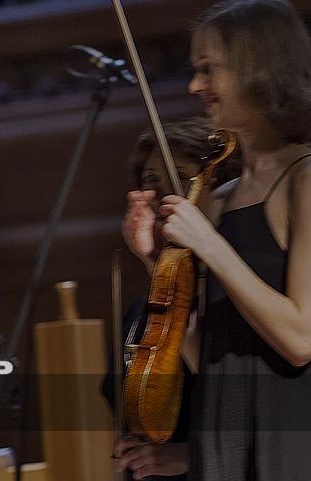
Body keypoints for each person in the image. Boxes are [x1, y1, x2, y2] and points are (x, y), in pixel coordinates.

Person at [122, 0, 311, 480]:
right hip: (224, 438)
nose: (194, 86)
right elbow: (206, 355)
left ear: (258, 69)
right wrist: (152, 262)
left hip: (292, 444)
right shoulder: (219, 197)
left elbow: (302, 338)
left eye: (209, 70)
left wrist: (209, 244)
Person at [108, 117, 240, 480]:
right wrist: (151, 260)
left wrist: (186, 456)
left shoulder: (234, 283)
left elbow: (226, 392)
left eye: (180, 178)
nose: (164, 194)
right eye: (152, 181)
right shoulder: (140, 310)